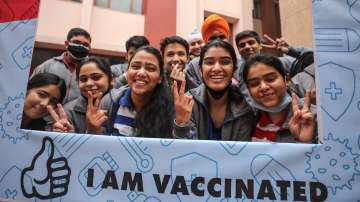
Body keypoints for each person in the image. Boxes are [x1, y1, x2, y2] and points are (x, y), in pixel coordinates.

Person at [173, 40, 255, 141]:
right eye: (209, 62)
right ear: (200, 70)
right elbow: (185, 150)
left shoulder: (245, 105)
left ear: (234, 69)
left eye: (224, 62)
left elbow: (241, 153)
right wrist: (181, 125)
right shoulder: (188, 102)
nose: (216, 68)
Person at [99, 46, 174, 137]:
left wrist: (182, 124)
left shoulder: (171, 108)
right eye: (135, 67)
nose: (141, 73)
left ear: (160, 78)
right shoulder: (110, 102)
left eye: (150, 68)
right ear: (127, 72)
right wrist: (92, 130)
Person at [243, 54, 316, 143]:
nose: (263, 87)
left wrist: (305, 142)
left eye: (270, 79)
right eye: (254, 84)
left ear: (286, 80)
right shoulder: (246, 119)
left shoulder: (311, 117)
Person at [48, 56, 112, 134]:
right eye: (83, 79)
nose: (89, 83)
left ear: (110, 79)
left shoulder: (120, 104)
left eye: (96, 77)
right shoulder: (69, 111)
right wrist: (66, 135)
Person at [31, 27, 92, 104]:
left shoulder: (93, 69)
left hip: (78, 115)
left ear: (89, 48)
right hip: (47, 113)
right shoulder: (47, 66)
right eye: (77, 42)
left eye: (85, 44)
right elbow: (30, 90)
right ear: (66, 44)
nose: (81, 46)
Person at [185, 14, 232, 90]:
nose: (217, 41)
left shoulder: (238, 64)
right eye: (212, 38)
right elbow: (195, 95)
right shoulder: (193, 66)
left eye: (222, 37)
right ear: (205, 40)